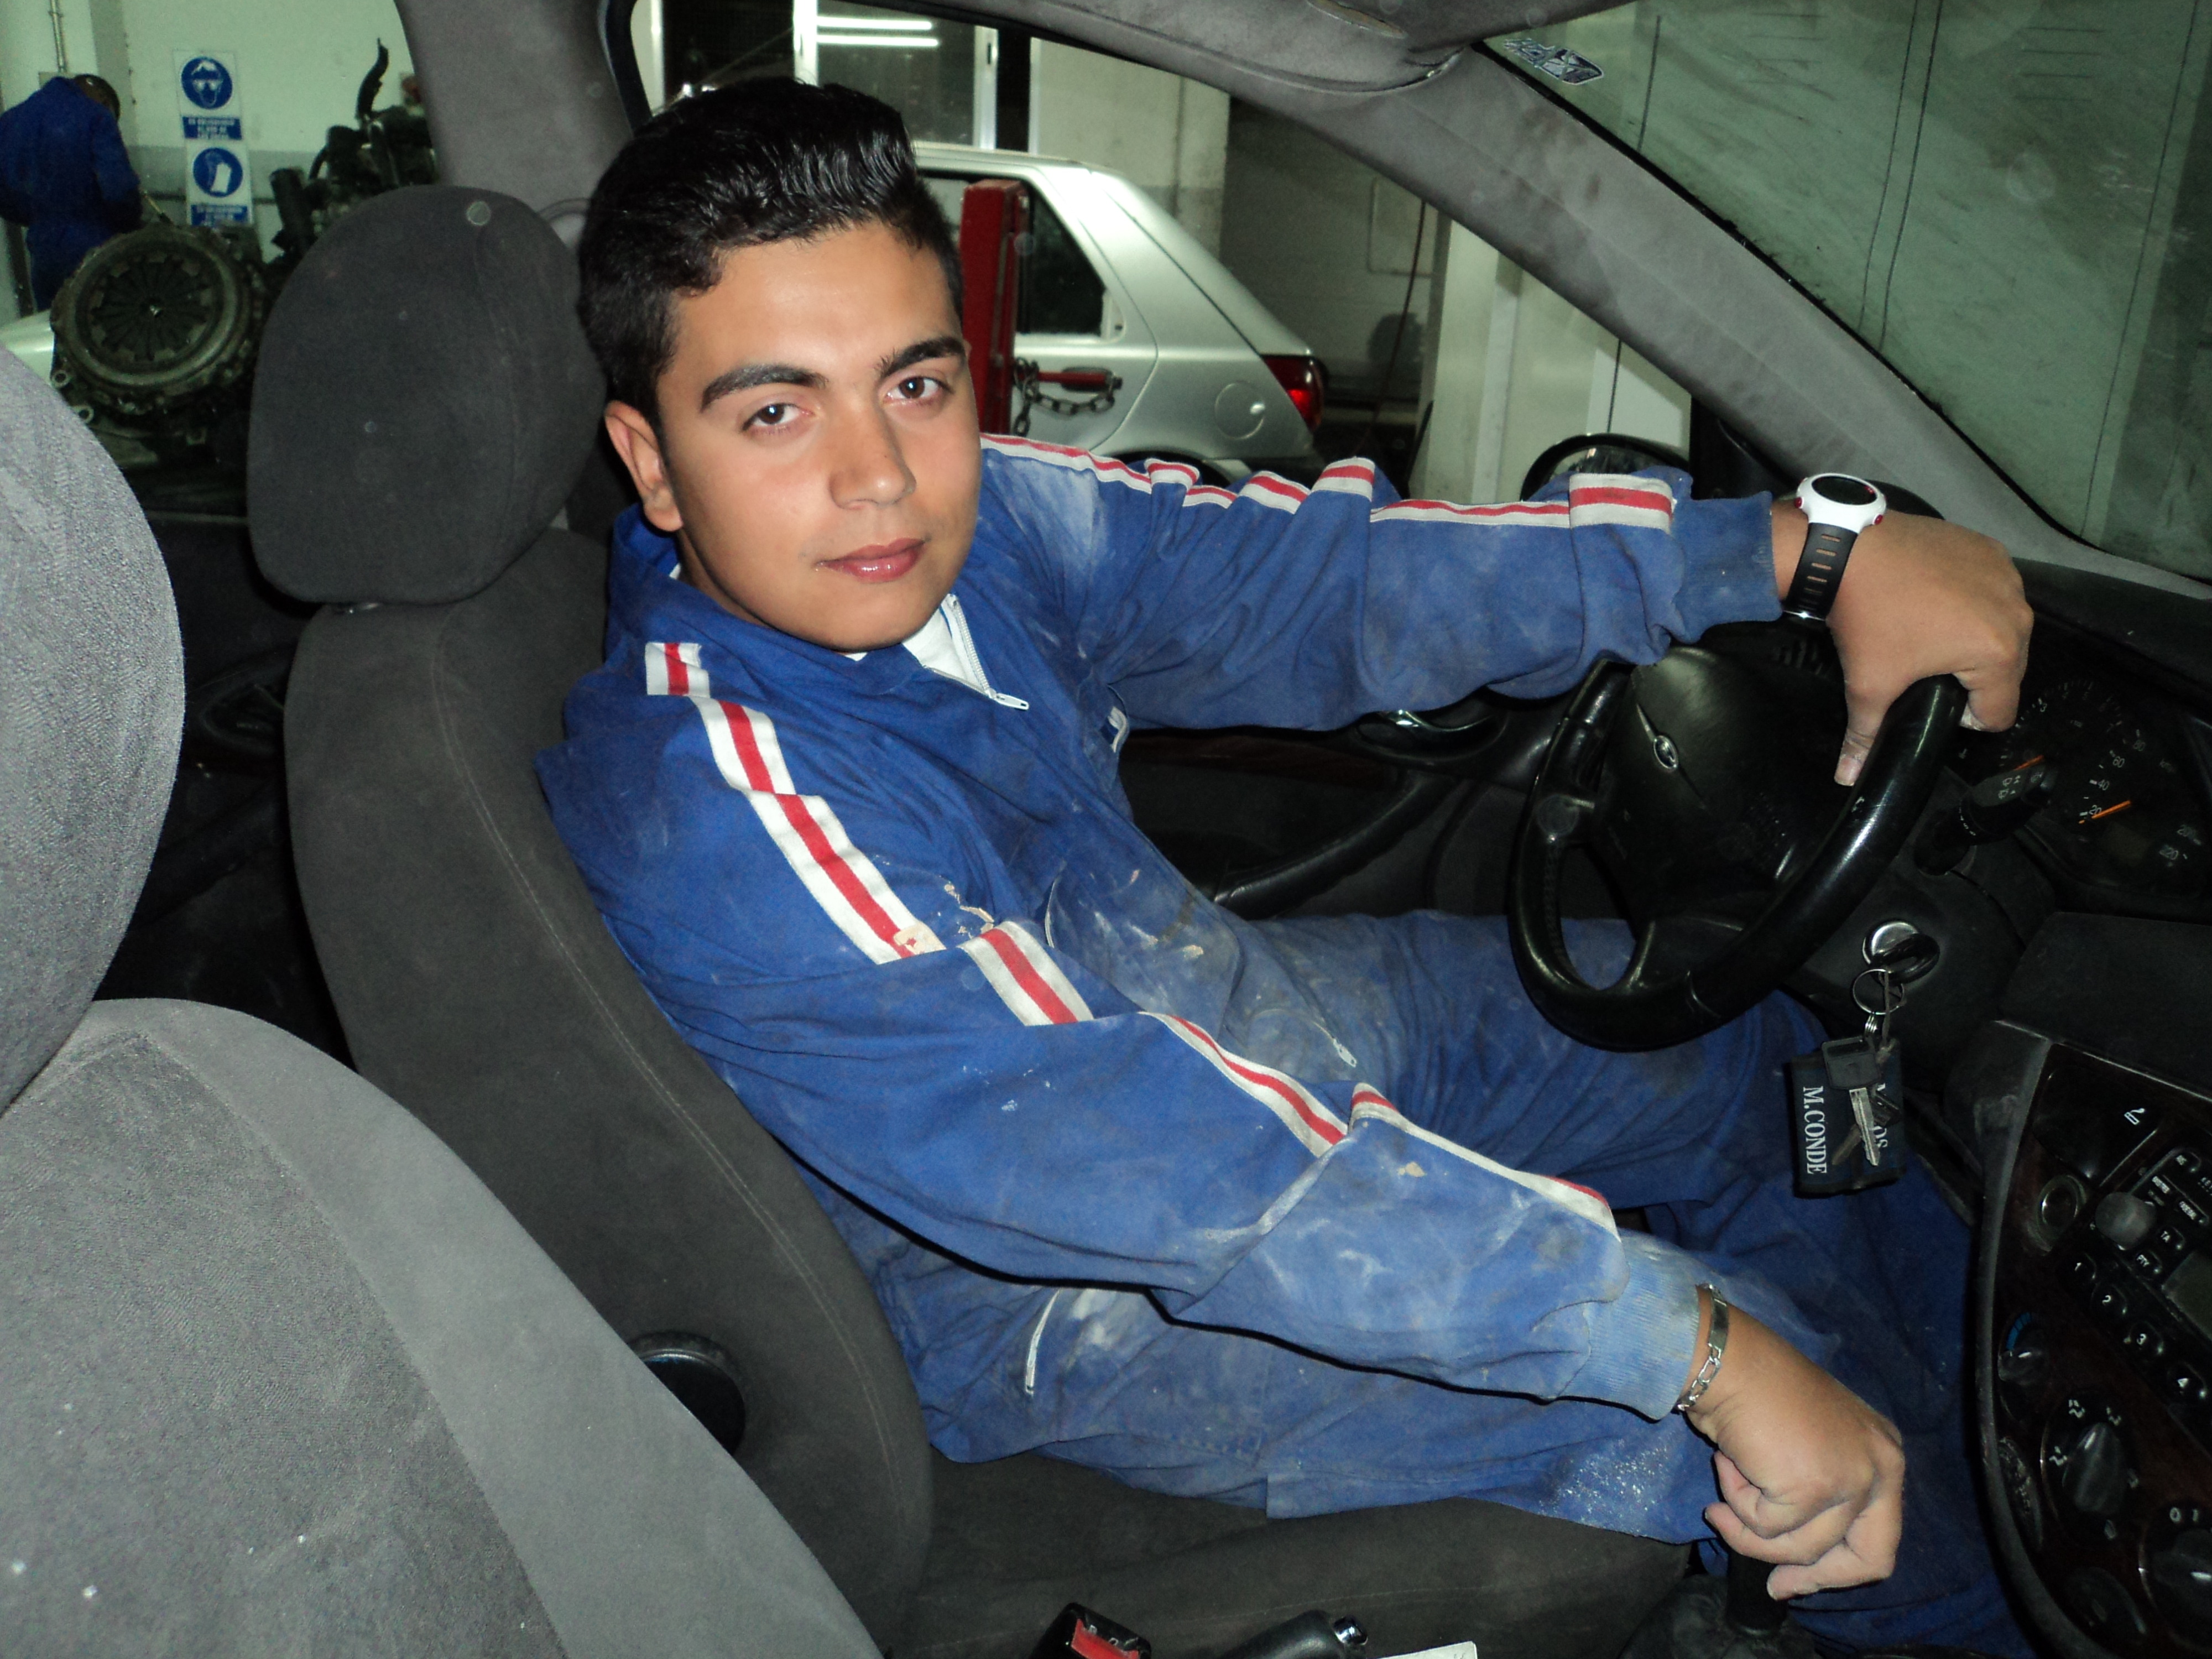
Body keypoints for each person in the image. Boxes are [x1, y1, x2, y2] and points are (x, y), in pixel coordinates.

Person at [538, 81, 2036, 1654]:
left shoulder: (990, 533)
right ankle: (1974, 1583)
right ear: (651, 462)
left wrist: (1794, 548)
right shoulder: (722, 800)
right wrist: (1699, 1346)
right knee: (1769, 1414)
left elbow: (1331, 579)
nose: (880, 477)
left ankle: (1980, 1395)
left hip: (1202, 1020)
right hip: (1076, 1291)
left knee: (1732, 1048)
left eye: (914, 383)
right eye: (773, 413)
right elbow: (1173, 1170)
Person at [0, 73, 141, 310]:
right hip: (97, 245)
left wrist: (38, 220)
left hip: (43, 249)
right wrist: (131, 226)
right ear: (104, 100)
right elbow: (119, 189)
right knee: (109, 323)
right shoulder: (95, 115)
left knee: (54, 323)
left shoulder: (9, 121)